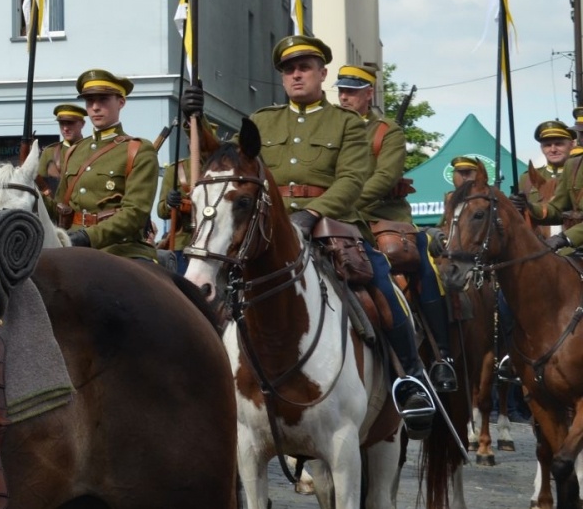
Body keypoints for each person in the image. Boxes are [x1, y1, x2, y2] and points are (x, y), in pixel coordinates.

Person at [187, 35, 434, 433]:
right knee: (209, 284)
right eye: (289, 70)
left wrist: (313, 213)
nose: (296, 75)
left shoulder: (346, 123)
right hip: (266, 230)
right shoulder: (262, 121)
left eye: (304, 67)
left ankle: (411, 380)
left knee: (381, 288)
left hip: (329, 228)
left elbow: (353, 179)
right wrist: (196, 120)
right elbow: (227, 164)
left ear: (322, 73)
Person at [335, 64, 456, 393]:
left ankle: (443, 356)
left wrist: (345, 201)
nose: (344, 97)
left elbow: (385, 177)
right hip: (340, 217)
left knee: (425, 263)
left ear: (368, 94)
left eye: (352, 92)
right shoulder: (330, 127)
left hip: (384, 215)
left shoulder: (387, 132)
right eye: (341, 91)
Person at [54, 71, 158, 261]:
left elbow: (135, 213)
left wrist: (87, 237)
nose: (95, 107)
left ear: (121, 102)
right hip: (72, 245)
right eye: (89, 101)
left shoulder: (137, 150)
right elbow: (59, 206)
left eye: (103, 100)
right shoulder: (74, 151)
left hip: (120, 249)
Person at [36, 103, 88, 197]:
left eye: (70, 123)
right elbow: (40, 184)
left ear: (82, 124)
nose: (65, 128)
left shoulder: (91, 150)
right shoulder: (49, 152)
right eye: (62, 123)